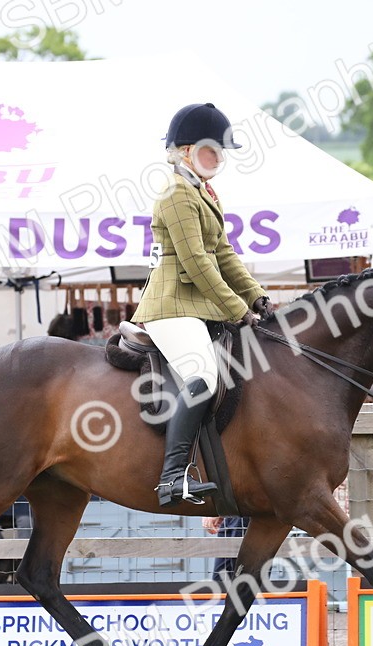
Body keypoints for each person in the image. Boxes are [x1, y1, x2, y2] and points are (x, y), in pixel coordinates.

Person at [132, 102, 271, 507]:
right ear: (186, 150)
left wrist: (256, 295)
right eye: (213, 151)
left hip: (198, 306)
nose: (220, 159)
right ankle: (173, 476)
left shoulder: (204, 192)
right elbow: (196, 263)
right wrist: (237, 310)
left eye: (222, 152)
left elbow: (224, 255)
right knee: (203, 376)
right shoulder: (177, 194)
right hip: (171, 306)